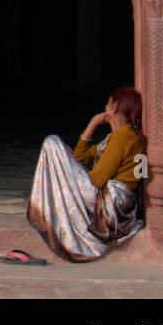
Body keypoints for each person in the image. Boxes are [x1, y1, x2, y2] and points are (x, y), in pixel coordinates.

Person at [23, 85, 147, 262]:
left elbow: (96, 180)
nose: (105, 108)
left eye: (108, 103)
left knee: (52, 143)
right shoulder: (119, 137)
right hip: (114, 202)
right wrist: (94, 123)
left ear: (114, 106)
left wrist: (70, 178)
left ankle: (44, 210)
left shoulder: (122, 139)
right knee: (58, 152)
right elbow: (80, 156)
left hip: (110, 206)